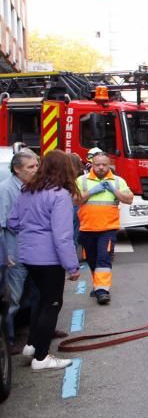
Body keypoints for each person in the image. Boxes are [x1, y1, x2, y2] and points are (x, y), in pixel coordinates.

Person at [7, 150, 81, 371]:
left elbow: (12, 222)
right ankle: (41, 357)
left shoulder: (27, 191)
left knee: (40, 302)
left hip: (28, 255)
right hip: (49, 258)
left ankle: (32, 344)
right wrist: (72, 266)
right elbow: (62, 236)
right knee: (52, 304)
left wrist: (32, 229)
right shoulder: (59, 195)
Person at [76, 152, 133, 305]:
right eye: (97, 164)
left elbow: (129, 199)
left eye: (104, 164)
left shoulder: (117, 181)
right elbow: (74, 200)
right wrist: (91, 192)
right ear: (92, 165)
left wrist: (115, 191)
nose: (101, 167)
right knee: (92, 260)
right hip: (87, 228)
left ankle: (102, 291)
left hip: (108, 228)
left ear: (109, 165)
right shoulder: (81, 181)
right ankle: (97, 285)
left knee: (103, 258)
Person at [0, 150, 40, 348]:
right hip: (15, 254)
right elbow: (2, 224)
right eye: (30, 167)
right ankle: (8, 341)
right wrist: (5, 254)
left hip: (31, 252)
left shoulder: (31, 187)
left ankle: (33, 332)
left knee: (33, 296)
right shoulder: (6, 189)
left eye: (36, 166)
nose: (35, 170)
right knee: (13, 300)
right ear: (17, 169)